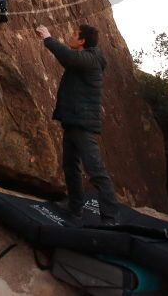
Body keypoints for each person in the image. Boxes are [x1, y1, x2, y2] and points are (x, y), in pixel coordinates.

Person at [35, 23, 119, 225]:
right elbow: (78, 72)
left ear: (82, 41)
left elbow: (69, 57)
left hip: (82, 124)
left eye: (74, 35)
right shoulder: (88, 60)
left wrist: (48, 37)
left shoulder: (90, 59)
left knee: (95, 171)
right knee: (70, 166)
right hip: (73, 121)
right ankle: (75, 207)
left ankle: (110, 219)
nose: (70, 36)